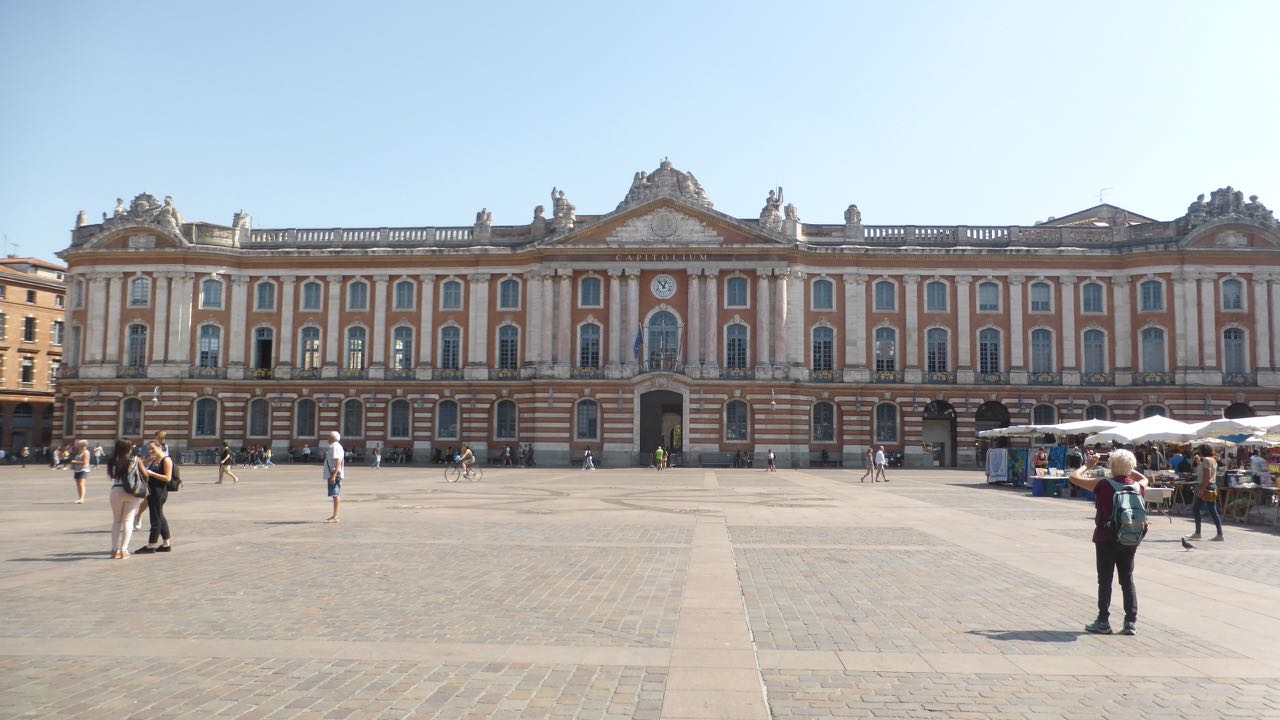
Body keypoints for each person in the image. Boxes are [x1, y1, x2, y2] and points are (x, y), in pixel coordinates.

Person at [1068, 448, 1147, 635]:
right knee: (1127, 579)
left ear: (1112, 466)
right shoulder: (1138, 486)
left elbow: (1073, 477)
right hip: (1130, 537)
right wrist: (1127, 468)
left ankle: (1103, 620)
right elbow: (1144, 478)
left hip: (1106, 537)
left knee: (1105, 580)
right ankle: (1130, 622)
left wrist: (1089, 465)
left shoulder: (1104, 484)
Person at [107, 440, 146, 560]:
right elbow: (145, 474)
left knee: (117, 521)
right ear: (129, 448)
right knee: (128, 521)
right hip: (131, 491)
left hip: (116, 490)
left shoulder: (112, 460)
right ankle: (124, 550)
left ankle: (114, 550)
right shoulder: (135, 459)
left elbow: (112, 476)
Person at [134, 440, 174, 554]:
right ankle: (166, 544)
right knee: (160, 516)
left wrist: (152, 473)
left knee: (155, 518)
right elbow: (140, 464)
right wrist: (147, 461)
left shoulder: (166, 459)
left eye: (152, 448)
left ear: (159, 447)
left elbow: (168, 478)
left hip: (159, 492)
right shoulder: (154, 459)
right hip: (153, 491)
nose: (150, 451)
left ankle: (151, 545)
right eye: (149, 449)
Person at [1190, 446, 1224, 542]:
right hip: (1212, 486)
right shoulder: (1213, 460)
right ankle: (1220, 534)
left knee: (1196, 508)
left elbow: (1206, 476)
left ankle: (1198, 533)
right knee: (1213, 511)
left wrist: (1202, 489)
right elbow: (1205, 472)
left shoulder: (1206, 460)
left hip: (1206, 486)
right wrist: (1198, 463)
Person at [324, 431, 345, 523]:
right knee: (334, 494)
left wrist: (334, 475)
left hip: (334, 473)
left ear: (333, 438)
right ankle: (335, 515)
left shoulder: (335, 447)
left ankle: (335, 516)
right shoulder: (335, 446)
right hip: (333, 473)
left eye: (329, 436)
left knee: (335, 494)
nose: (327, 438)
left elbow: (338, 461)